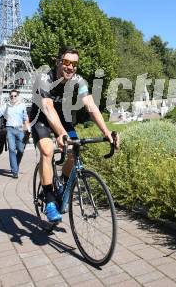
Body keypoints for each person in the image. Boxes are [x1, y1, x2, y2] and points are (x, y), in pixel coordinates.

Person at [29, 46, 119, 223]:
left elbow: (91, 107)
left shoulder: (79, 81)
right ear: (58, 62)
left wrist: (107, 132)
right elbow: (48, 107)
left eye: (75, 64)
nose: (71, 67)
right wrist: (61, 134)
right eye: (67, 62)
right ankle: (49, 200)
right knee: (47, 151)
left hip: (62, 117)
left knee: (74, 148)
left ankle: (61, 184)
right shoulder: (44, 78)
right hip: (41, 117)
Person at [0, 90, 30, 178]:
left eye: (14, 96)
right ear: (9, 97)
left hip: (20, 130)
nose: (13, 97)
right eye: (11, 96)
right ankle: (14, 171)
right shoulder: (6, 106)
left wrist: (28, 130)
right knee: (12, 149)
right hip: (9, 129)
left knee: (21, 150)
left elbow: (25, 119)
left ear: (18, 96)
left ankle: (15, 165)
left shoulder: (22, 106)